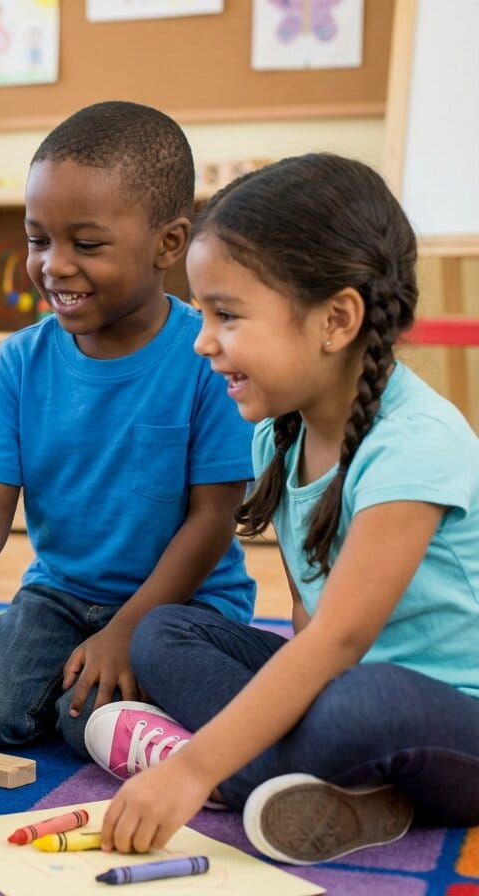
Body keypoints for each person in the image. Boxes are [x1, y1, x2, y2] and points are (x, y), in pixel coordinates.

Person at [85, 153, 479, 864]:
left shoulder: (417, 443)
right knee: (164, 632)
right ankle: (320, 788)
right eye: (203, 313)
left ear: (336, 319)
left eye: (227, 316)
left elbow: (336, 642)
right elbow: (304, 623)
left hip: (447, 715)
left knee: (363, 705)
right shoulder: (276, 432)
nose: (203, 341)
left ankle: (232, 769)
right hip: (343, 692)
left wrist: (190, 767)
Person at [0, 101, 256, 758]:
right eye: (39, 240)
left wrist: (127, 630)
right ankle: (96, 690)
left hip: (180, 606)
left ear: (169, 244)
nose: (55, 266)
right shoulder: (20, 361)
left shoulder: (206, 358)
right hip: (61, 595)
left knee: (86, 720)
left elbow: (213, 522)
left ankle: (127, 695)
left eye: (87, 245)